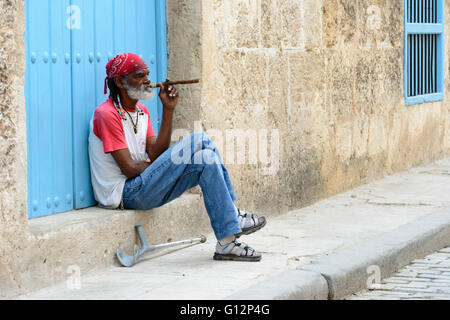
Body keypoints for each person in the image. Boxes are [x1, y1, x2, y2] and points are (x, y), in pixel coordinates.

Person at [88, 53, 266, 261]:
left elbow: (155, 153)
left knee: (206, 159)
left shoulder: (141, 111)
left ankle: (226, 243)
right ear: (119, 81)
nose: (147, 80)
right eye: (139, 76)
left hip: (142, 187)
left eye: (147, 75)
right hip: (124, 194)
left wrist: (168, 110)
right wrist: (162, 167)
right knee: (199, 139)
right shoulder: (106, 114)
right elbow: (129, 168)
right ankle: (233, 214)